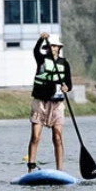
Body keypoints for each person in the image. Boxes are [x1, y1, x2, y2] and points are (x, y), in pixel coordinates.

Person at [26, 33, 72, 171]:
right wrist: (40, 39)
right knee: (35, 136)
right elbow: (35, 51)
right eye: (50, 46)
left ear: (58, 48)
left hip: (57, 104)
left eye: (54, 46)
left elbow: (69, 83)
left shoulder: (64, 63)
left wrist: (66, 88)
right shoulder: (41, 59)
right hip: (40, 103)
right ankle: (31, 167)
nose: (52, 48)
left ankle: (60, 170)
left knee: (57, 138)